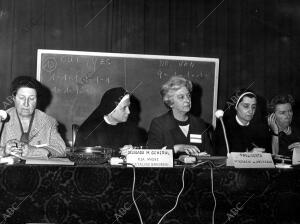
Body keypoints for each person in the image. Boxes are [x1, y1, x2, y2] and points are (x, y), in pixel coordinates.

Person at [0, 76, 66, 158]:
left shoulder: (48, 122)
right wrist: (3, 151)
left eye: (31, 98)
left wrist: (34, 151)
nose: (26, 104)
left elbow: (60, 149)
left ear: (37, 100)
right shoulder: (2, 119)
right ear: (14, 98)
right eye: (21, 98)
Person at [147, 76, 212, 157]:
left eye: (188, 95)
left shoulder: (199, 124)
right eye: (181, 97)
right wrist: (176, 148)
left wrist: (201, 158)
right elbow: (151, 156)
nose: (187, 100)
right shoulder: (159, 124)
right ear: (170, 102)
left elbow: (210, 155)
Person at [75, 87, 143, 154]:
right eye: (124, 108)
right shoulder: (88, 131)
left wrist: (134, 151)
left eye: (129, 107)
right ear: (111, 109)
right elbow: (80, 157)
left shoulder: (132, 130)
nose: (128, 112)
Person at [214, 89, 271, 156]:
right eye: (246, 106)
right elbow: (220, 156)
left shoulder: (261, 129)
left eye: (253, 107)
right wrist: (248, 155)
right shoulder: (224, 128)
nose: (250, 111)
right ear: (236, 107)